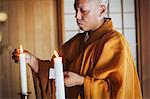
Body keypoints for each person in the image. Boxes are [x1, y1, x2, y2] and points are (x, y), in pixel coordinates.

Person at [12, 0, 142, 98]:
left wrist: (81, 81)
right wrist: (31, 60)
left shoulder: (116, 42)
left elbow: (120, 91)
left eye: (83, 11)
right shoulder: (76, 42)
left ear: (101, 10)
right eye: (76, 10)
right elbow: (55, 73)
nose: (77, 16)